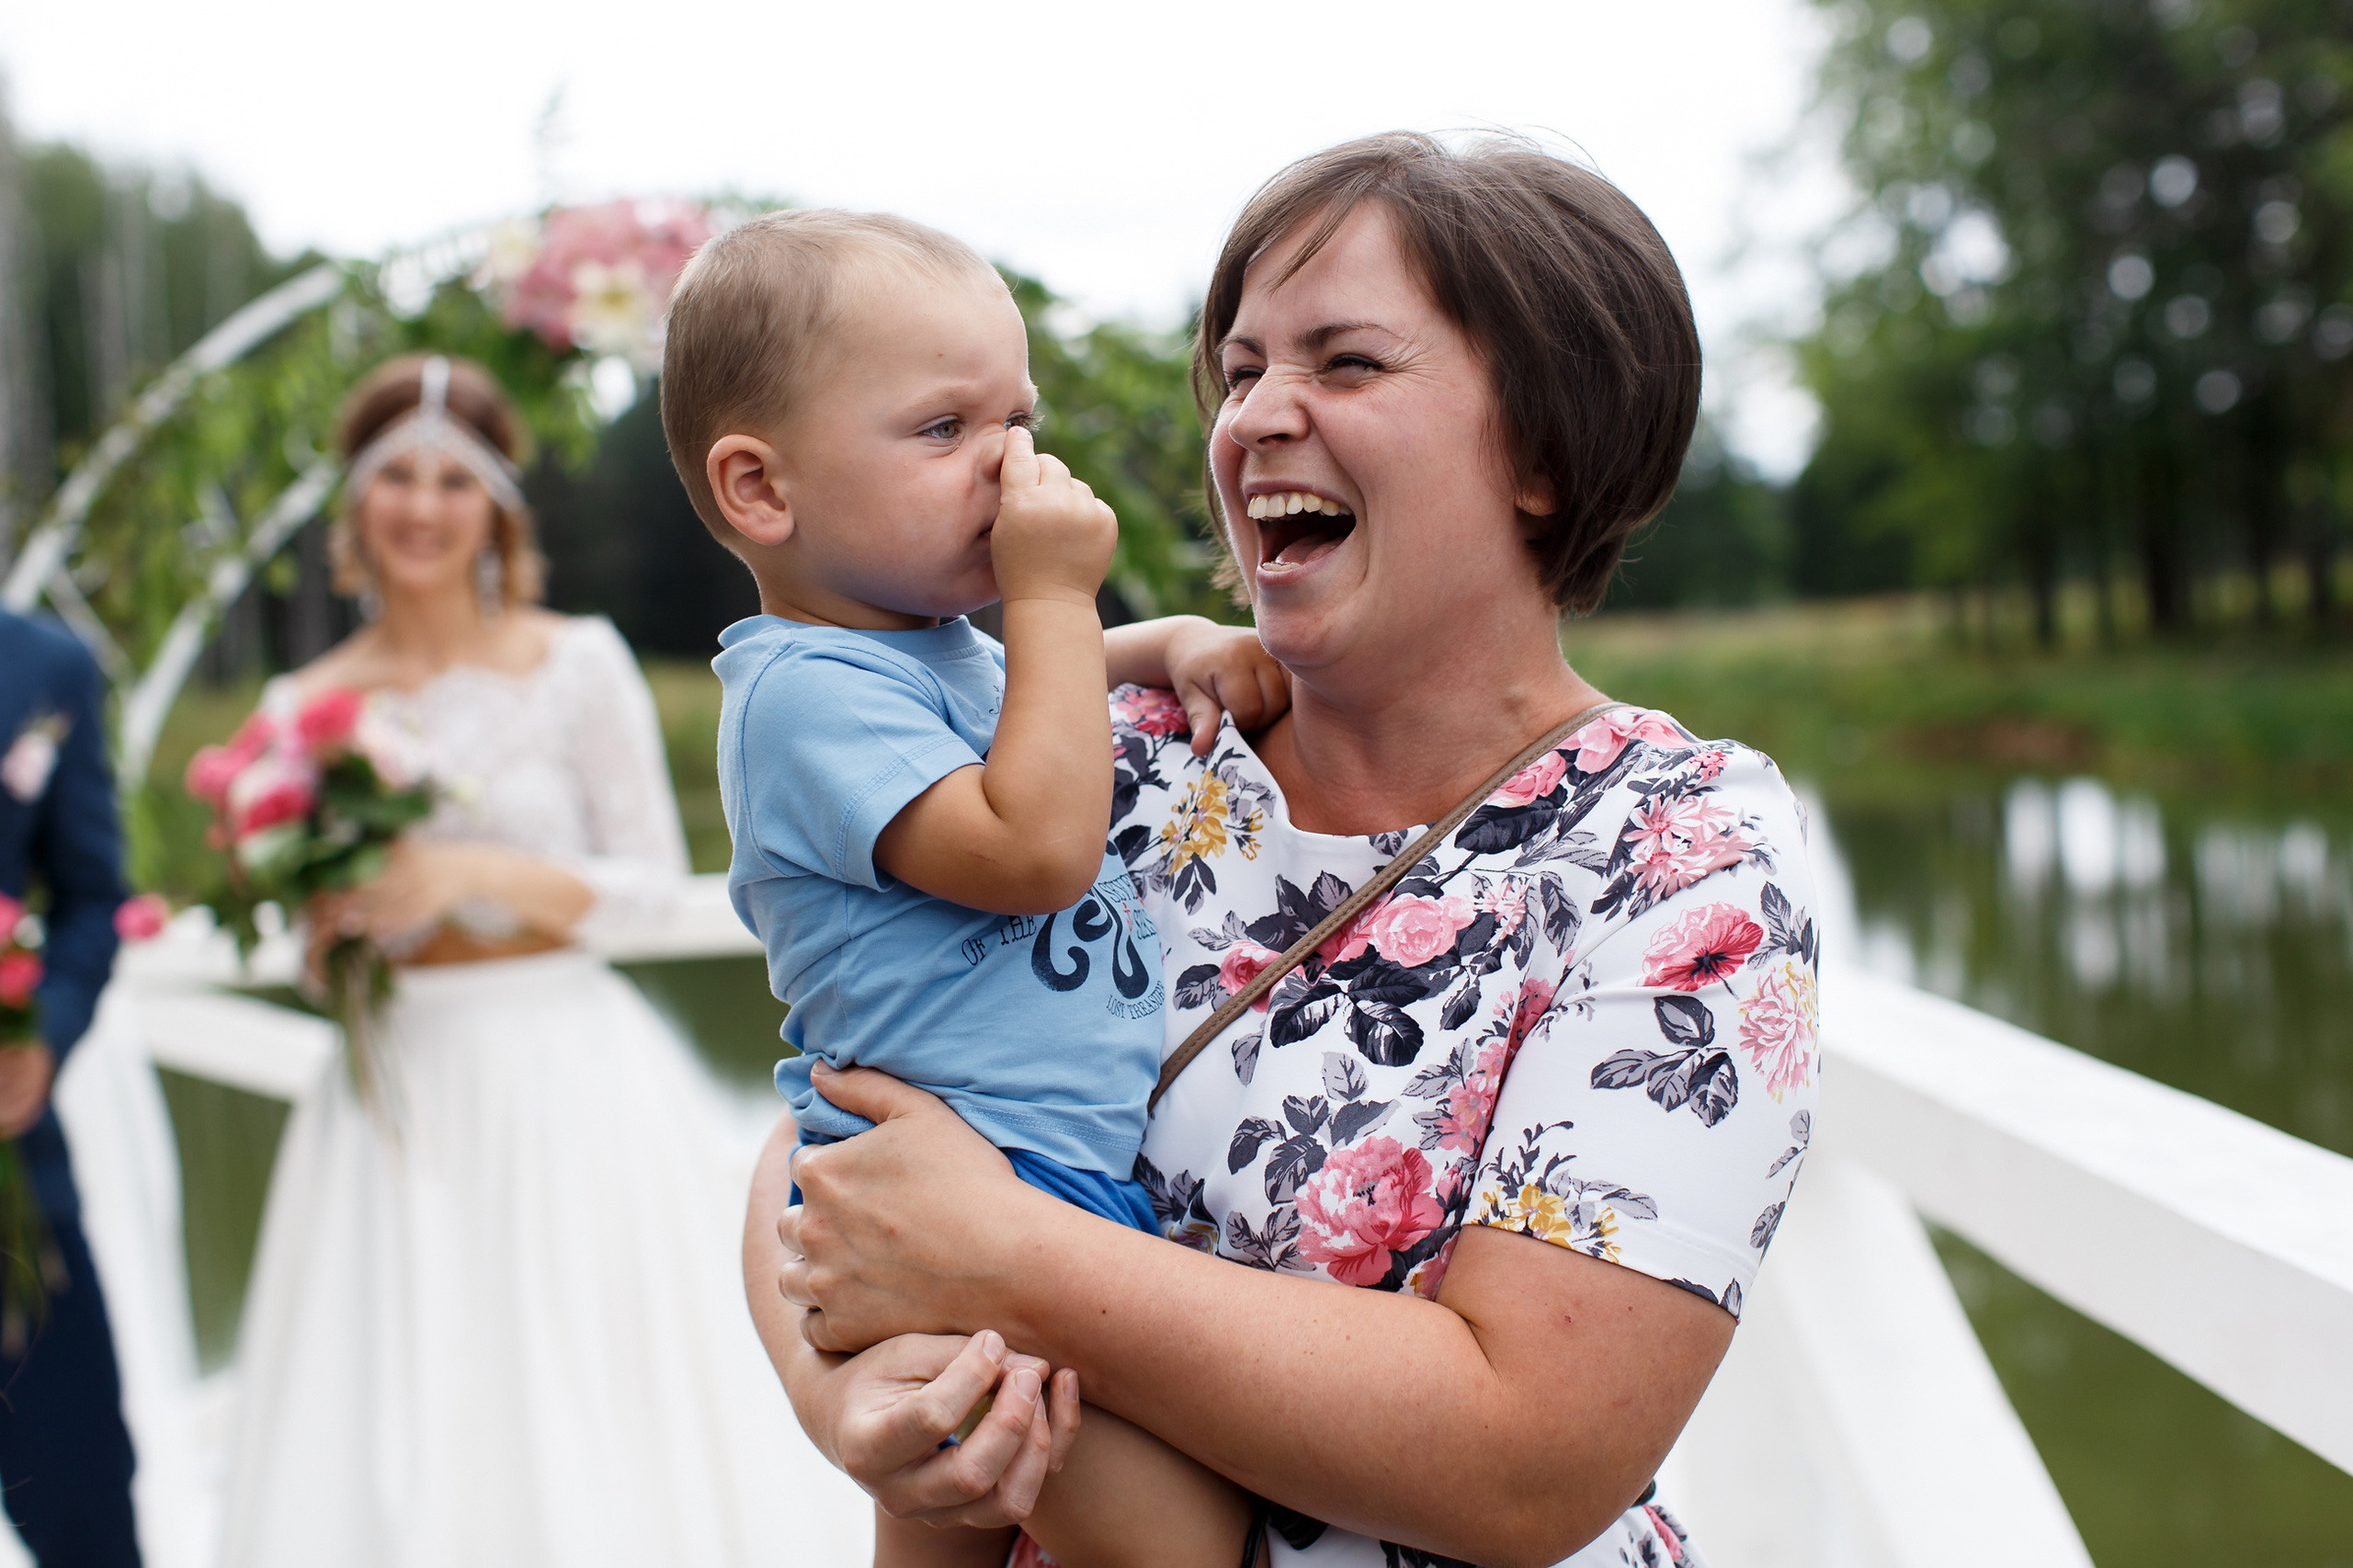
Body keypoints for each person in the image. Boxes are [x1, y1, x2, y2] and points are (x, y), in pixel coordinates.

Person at [747, 132, 1824, 1568]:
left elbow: (1533, 1458)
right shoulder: (1098, 754)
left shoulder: (1679, 851)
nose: (1256, 416)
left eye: (1347, 363)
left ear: (1550, 454)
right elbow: (837, 1114)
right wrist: (844, 1398)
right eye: (1243, 368)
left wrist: (1006, 1261)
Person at [662, 210, 1290, 1566]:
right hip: (953, 1219)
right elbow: (1032, 844)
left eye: (1020, 417)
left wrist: (1156, 641)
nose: (1011, 464)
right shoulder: (801, 696)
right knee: (1178, 1541)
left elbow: (1019, 704)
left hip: (1031, 1188)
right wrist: (1059, 593)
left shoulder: (924, 652)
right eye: (946, 430)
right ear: (763, 491)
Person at [217, 354, 854, 1567]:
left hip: (564, 1073)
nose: (420, 506)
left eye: (451, 481)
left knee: (580, 1378)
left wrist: (472, 874)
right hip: (388, 1082)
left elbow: (645, 891)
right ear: (356, 507)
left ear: (495, 506)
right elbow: (304, 937)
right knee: (396, 1392)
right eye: (394, 478)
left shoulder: (578, 661)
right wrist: (325, 923)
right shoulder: (302, 703)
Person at [0, 608, 140, 1567]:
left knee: (85, 1505)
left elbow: (94, 898)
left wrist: (40, 1039)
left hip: (15, 1192)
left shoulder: (46, 663)